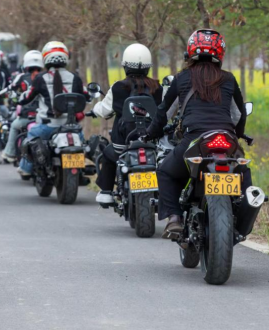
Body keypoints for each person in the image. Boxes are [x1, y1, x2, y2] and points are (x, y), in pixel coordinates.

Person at [146, 29, 248, 239]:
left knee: (165, 171)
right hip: (226, 139)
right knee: (243, 172)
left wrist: (150, 133)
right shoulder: (228, 79)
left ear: (191, 50)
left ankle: (174, 218)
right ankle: (246, 210)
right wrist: (239, 134)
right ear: (221, 53)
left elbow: (164, 112)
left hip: (195, 139)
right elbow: (239, 114)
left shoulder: (182, 78)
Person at [89, 43, 162, 204]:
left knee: (107, 155)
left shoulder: (118, 88)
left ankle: (106, 192)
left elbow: (104, 110)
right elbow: (165, 111)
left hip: (123, 143)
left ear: (125, 66)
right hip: (153, 142)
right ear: (148, 66)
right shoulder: (158, 88)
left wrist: (94, 110)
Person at [15, 41, 89, 175]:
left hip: (47, 127)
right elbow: (86, 96)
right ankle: (81, 171)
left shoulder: (40, 78)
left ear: (46, 57)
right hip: (71, 128)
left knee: (31, 135)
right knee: (82, 144)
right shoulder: (75, 78)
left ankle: (26, 168)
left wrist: (20, 97)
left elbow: (28, 97)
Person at [2, 50, 44, 164]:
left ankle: (9, 153)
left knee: (15, 126)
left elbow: (10, 89)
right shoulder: (46, 76)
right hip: (44, 115)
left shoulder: (21, 77)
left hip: (27, 114)